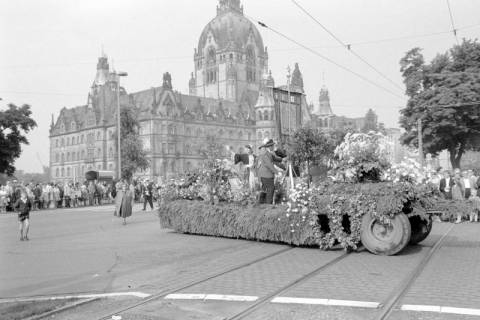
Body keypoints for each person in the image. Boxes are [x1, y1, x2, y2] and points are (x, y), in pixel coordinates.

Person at [257, 139, 281, 204]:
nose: (274, 147)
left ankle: (261, 205)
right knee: (271, 189)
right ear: (270, 147)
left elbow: (275, 158)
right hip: (266, 175)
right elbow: (269, 165)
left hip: (263, 175)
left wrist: (282, 159)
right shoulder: (266, 154)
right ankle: (268, 205)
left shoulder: (268, 154)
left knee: (264, 190)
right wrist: (277, 172)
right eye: (273, 146)